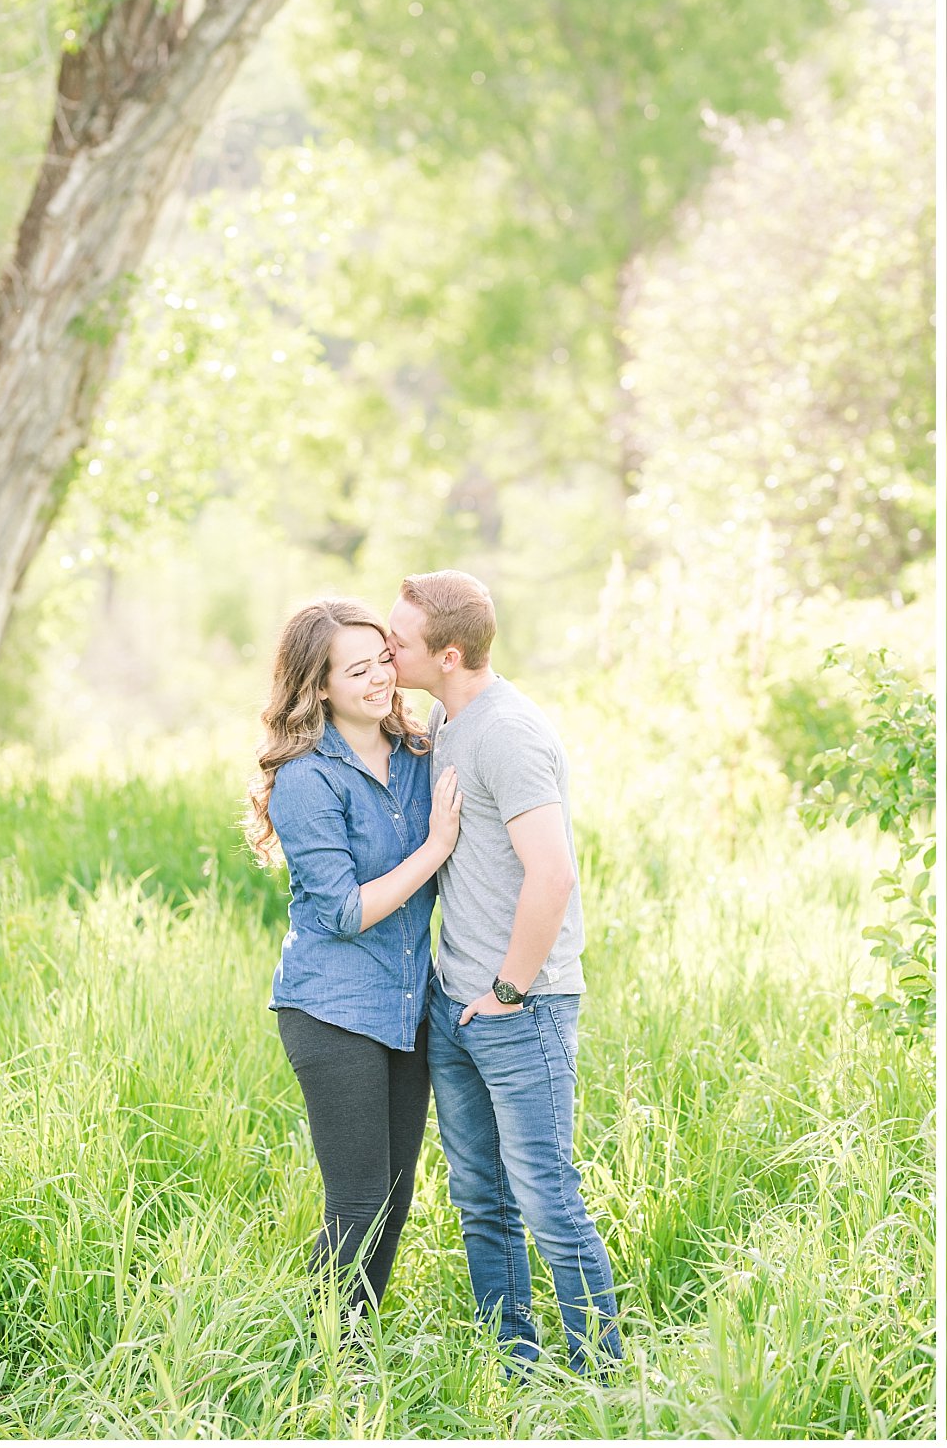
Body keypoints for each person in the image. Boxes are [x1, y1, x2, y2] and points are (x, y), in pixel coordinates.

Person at [385, 569, 625, 1374]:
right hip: (459, 1005)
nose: (388, 648)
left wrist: (508, 991)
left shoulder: (508, 733)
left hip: (522, 1007)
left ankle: (602, 1378)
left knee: (549, 1203)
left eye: (401, 640)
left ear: (449, 654)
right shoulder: (444, 717)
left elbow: (551, 875)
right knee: (480, 1201)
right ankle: (515, 1367)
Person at [246, 598, 462, 1323]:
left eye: (384, 660)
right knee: (359, 1199)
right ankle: (326, 1354)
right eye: (357, 669)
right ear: (320, 686)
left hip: (407, 1005)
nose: (379, 679)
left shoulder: (418, 752)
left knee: (395, 1199)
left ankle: (350, 1341)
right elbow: (341, 910)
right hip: (331, 1009)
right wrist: (432, 849)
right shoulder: (310, 777)